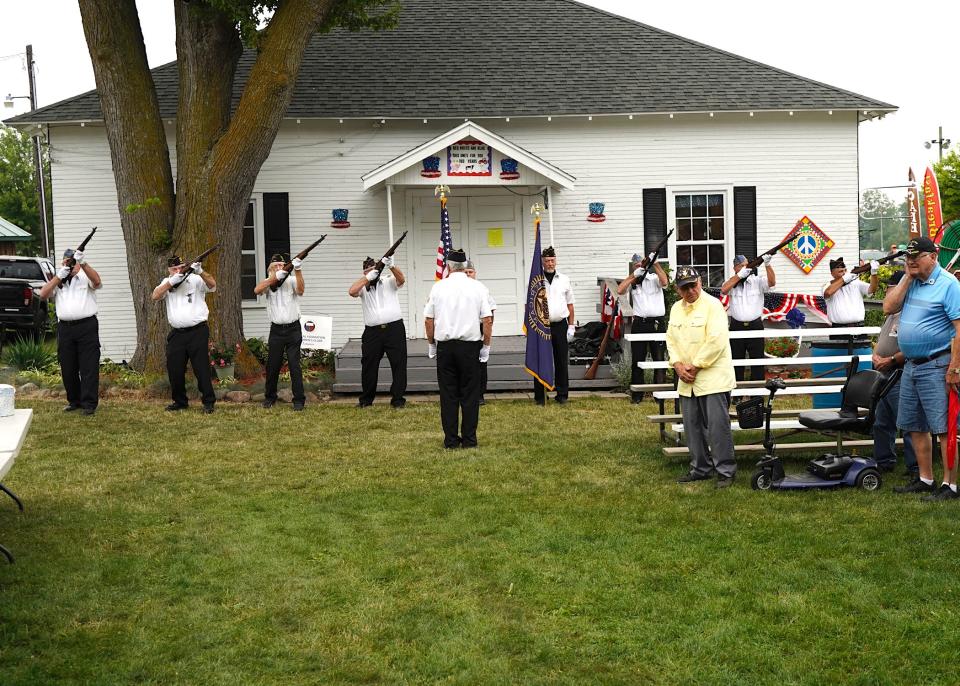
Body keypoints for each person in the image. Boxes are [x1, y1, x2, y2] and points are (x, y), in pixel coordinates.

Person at [883, 237, 960, 501]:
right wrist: (906, 277)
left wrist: (955, 367)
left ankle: (950, 486)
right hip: (912, 365)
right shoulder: (912, 282)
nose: (912, 261)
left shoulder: (949, 285)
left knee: (943, 428)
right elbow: (888, 307)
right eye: (908, 258)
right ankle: (926, 479)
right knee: (914, 426)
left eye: (917, 257)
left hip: (938, 364)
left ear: (934, 256)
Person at [666, 266, 737, 488]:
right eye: (684, 287)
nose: (690, 291)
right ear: (678, 290)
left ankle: (725, 471)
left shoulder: (713, 306)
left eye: (693, 285)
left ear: (700, 282)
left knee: (717, 427)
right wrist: (677, 365)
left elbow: (716, 341)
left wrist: (695, 366)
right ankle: (700, 468)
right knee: (692, 427)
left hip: (712, 378)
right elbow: (671, 339)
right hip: (687, 379)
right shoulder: (676, 309)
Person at [424, 248, 492, 449]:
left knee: (448, 395)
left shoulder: (438, 288)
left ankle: (451, 440)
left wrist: (431, 345)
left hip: (445, 347)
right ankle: (470, 439)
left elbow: (429, 320)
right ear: (465, 268)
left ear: (448, 266)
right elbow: (487, 320)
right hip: (470, 346)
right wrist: (486, 346)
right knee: (470, 394)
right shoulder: (478, 287)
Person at [38, 248, 102, 415]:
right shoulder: (59, 280)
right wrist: (60, 275)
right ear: (63, 263)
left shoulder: (84, 276)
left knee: (88, 366)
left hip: (86, 326)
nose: (71, 266)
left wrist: (83, 263)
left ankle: (89, 404)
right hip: (65, 328)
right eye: (68, 262)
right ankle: (74, 401)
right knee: (68, 366)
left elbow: (97, 282)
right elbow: (43, 294)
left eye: (73, 263)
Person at [151, 255, 217, 414]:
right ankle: (180, 402)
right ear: (169, 270)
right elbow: (155, 295)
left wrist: (200, 271)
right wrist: (171, 281)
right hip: (177, 334)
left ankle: (208, 402)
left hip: (198, 331)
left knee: (201, 368)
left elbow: (212, 284)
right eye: (174, 269)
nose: (178, 271)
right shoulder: (167, 282)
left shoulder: (195, 279)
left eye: (180, 268)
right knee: (175, 369)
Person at [871, 271, 916, 476]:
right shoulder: (892, 313)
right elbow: (882, 340)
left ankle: (915, 466)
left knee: (907, 421)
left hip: (899, 372)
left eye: (891, 289)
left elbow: (911, 348)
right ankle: (884, 460)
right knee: (882, 421)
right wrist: (876, 355)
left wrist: (889, 360)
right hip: (883, 374)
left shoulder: (910, 313)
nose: (888, 293)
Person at [348, 255, 407, 408]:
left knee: (399, 364)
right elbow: (351, 291)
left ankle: (398, 400)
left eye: (373, 269)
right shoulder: (363, 286)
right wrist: (367, 277)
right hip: (372, 332)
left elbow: (401, 280)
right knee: (369, 366)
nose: (371, 272)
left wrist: (392, 266)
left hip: (394, 328)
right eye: (367, 270)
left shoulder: (388, 280)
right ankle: (366, 400)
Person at [254, 253, 306, 411]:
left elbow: (301, 290)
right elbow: (257, 290)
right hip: (276, 330)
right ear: (270, 268)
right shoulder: (268, 282)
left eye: (281, 265)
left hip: (293, 328)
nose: (279, 268)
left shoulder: (290, 281)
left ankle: (299, 400)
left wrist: (297, 269)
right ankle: (270, 397)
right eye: (275, 266)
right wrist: (274, 277)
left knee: (294, 365)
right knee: (273, 365)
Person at [617, 251, 668, 403]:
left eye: (642, 264)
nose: (639, 266)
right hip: (640, 323)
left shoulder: (653, 278)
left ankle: (659, 395)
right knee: (637, 361)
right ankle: (637, 396)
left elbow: (665, 282)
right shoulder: (633, 281)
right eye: (636, 265)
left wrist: (656, 263)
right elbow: (620, 290)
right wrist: (634, 275)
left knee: (659, 360)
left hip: (657, 323)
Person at [720, 253, 775, 382]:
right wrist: (739, 276)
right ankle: (736, 394)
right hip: (737, 326)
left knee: (757, 363)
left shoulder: (757, 281)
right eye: (741, 266)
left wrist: (767, 264)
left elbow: (772, 283)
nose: (745, 268)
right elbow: (723, 290)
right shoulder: (732, 281)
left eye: (746, 265)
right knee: (736, 361)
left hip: (755, 325)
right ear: (735, 268)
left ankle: (756, 397)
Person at [536, 246, 575, 405]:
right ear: (542, 262)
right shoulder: (536, 279)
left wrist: (571, 326)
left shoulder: (564, 279)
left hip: (560, 325)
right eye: (547, 261)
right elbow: (528, 305)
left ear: (555, 260)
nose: (550, 264)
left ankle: (562, 394)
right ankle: (540, 396)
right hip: (542, 326)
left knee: (561, 360)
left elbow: (570, 304)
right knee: (541, 361)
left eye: (552, 260)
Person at [465, 261, 496, 405]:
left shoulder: (482, 288)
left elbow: (491, 310)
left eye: (470, 272)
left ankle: (479, 395)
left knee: (480, 364)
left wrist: (487, 331)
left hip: (478, 327)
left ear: (475, 273)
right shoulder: (457, 289)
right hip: (462, 330)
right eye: (465, 272)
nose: (468, 274)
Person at [822, 257, 879, 327]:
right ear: (832, 273)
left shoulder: (855, 283)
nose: (844, 273)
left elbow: (872, 289)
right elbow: (828, 293)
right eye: (840, 271)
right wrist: (844, 279)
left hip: (858, 326)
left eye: (844, 270)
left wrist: (874, 274)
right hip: (839, 328)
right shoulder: (827, 286)